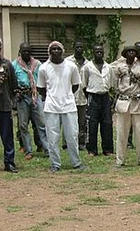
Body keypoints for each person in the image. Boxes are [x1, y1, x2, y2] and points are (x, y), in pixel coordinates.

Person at [36, 41, 86, 172]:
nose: (56, 51)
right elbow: (41, 88)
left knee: (72, 136)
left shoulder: (71, 66)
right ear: (49, 51)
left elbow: (75, 85)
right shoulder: (43, 68)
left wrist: (65, 95)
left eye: (58, 49)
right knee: (52, 138)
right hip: (51, 107)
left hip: (69, 106)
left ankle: (76, 163)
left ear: (62, 51)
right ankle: (55, 164)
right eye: (53, 49)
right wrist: (53, 97)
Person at [110, 44, 140, 167]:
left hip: (137, 102)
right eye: (129, 52)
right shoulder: (119, 68)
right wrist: (121, 93)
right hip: (123, 102)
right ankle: (120, 160)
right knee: (121, 132)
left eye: (133, 52)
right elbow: (115, 85)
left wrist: (139, 94)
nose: (131, 54)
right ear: (125, 54)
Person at [12, 43, 45, 159]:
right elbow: (12, 82)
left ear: (31, 52)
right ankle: (28, 151)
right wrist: (16, 94)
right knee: (23, 125)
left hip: (35, 96)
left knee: (41, 124)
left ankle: (46, 148)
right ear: (20, 51)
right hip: (22, 97)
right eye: (23, 51)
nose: (26, 53)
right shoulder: (14, 65)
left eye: (28, 51)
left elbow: (43, 80)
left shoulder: (38, 64)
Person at [82, 43, 114, 156]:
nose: (99, 53)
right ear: (93, 53)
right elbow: (84, 84)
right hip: (92, 96)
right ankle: (92, 150)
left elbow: (111, 83)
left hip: (105, 96)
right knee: (92, 124)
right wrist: (89, 97)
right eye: (97, 51)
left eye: (101, 51)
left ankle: (108, 149)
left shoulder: (108, 67)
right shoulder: (87, 67)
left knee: (107, 123)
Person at [65, 41, 88, 151]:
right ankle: (66, 143)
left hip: (83, 97)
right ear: (74, 47)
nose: (79, 49)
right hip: (70, 96)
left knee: (82, 122)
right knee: (68, 121)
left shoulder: (87, 63)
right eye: (77, 47)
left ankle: (81, 143)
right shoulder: (67, 62)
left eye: (81, 47)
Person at [0, 39, 17, 172]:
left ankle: (9, 162)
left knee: (7, 136)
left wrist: (12, 102)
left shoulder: (7, 64)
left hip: (4, 106)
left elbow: (13, 85)